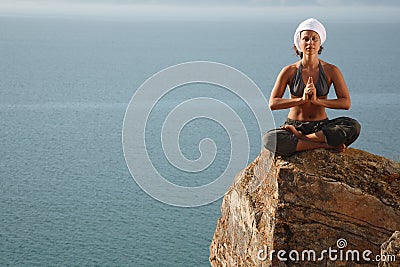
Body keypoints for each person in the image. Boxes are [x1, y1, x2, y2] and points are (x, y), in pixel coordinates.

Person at [263, 18, 361, 157]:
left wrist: (317, 101)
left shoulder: (331, 70)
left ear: (320, 42)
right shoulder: (289, 71)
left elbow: (345, 103)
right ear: (299, 43)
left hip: (321, 128)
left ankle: (302, 139)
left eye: (314, 38)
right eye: (306, 39)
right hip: (294, 125)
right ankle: (324, 145)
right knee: (269, 139)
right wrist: (301, 100)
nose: (310, 43)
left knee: (353, 126)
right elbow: (273, 103)